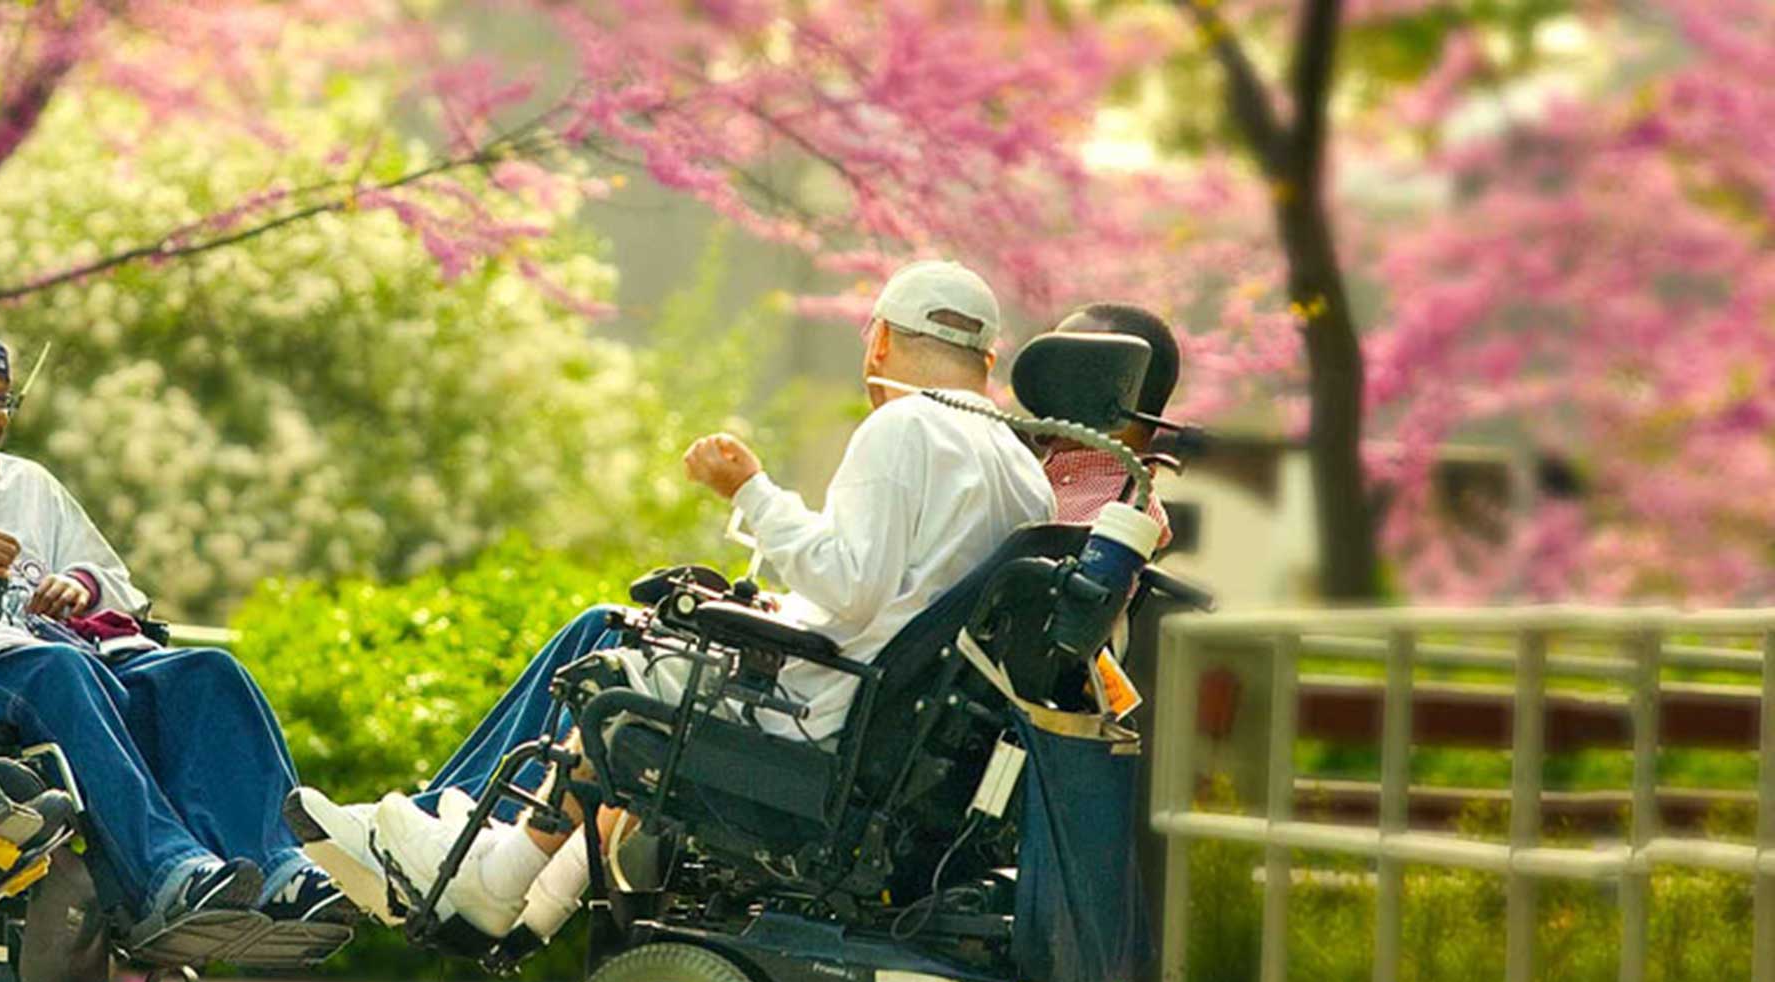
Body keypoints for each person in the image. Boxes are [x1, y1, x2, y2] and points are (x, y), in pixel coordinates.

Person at [287, 259, 1057, 943]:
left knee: (615, 674)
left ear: (880, 339)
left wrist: (750, 491)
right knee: (642, 657)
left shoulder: (904, 427)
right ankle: (521, 889)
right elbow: (901, 599)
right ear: (988, 359)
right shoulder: (1024, 474)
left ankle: (492, 879)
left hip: (824, 717)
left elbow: (851, 587)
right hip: (895, 727)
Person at [0, 326, 346, 931]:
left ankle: (279, 869)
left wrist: (81, 585)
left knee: (208, 673)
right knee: (58, 669)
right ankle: (170, 871)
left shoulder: (30, 485)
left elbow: (118, 583)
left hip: (66, 654)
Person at [1032, 301, 1184, 543]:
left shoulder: (1123, 517)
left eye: (1071, 368)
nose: (1048, 382)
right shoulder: (1030, 474)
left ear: (1125, 389)